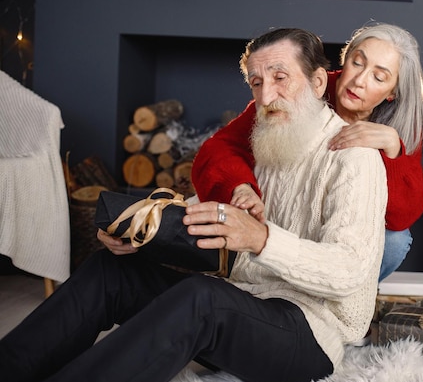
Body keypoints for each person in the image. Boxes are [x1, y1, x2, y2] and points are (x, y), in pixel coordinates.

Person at [0, 28, 387, 382]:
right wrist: (140, 230)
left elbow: (350, 269)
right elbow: (210, 211)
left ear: (318, 82)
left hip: (307, 335)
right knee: (111, 271)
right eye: (256, 82)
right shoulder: (271, 139)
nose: (266, 96)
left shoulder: (356, 158)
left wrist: (261, 239)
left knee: (202, 297)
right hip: (244, 304)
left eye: (280, 78)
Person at [192, 22, 423, 281]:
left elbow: (400, 219)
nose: (359, 80)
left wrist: (393, 151)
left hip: (340, 241)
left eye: (378, 77)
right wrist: (240, 186)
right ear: (345, 59)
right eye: (357, 63)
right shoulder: (307, 85)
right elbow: (220, 146)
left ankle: (350, 296)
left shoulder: (401, 124)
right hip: (282, 220)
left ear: (393, 91)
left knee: (396, 241)